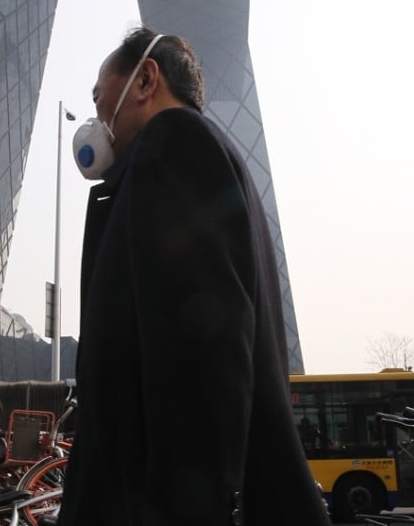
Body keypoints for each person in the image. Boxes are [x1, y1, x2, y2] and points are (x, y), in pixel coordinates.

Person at [57, 26, 328, 525]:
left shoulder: (174, 144)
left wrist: (184, 507)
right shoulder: (191, 156)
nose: (97, 114)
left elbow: (204, 352)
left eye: (99, 96)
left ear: (145, 81)